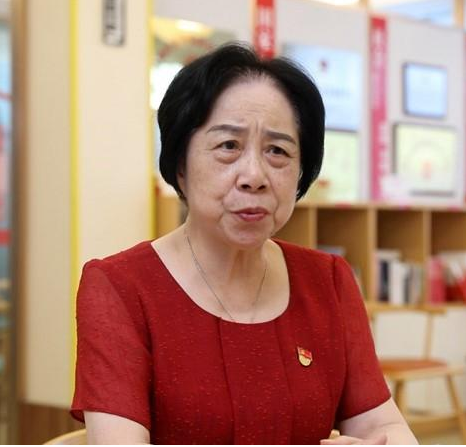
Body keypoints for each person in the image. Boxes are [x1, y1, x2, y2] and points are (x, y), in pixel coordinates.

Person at [71, 42, 418, 445]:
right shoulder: (120, 287)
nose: (254, 176)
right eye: (228, 146)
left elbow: (382, 426)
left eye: (277, 151)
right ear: (180, 164)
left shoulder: (328, 281)